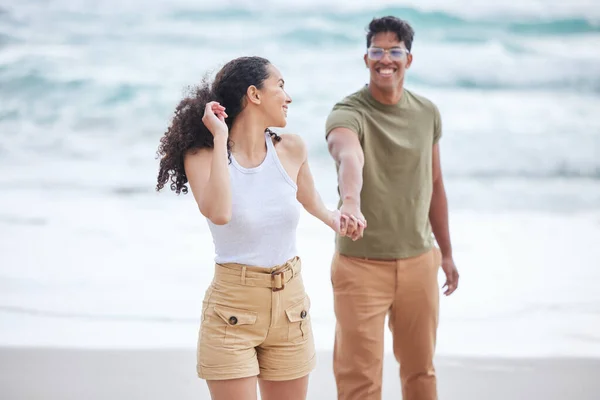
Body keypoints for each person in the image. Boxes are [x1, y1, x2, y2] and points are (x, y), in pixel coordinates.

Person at [156, 56, 353, 400]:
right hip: (233, 308)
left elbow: (310, 200)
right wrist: (219, 138)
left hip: (291, 305)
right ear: (254, 95)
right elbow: (219, 212)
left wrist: (335, 218)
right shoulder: (202, 155)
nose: (287, 96)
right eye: (280, 85)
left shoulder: (291, 149)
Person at [324, 16, 460, 400]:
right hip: (360, 267)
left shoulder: (427, 112)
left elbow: (434, 182)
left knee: (421, 374)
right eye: (377, 51)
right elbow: (348, 153)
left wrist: (446, 254)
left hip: (419, 261)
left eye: (394, 51)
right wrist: (350, 200)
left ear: (409, 59)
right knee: (359, 381)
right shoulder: (348, 112)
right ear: (366, 58)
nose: (386, 59)